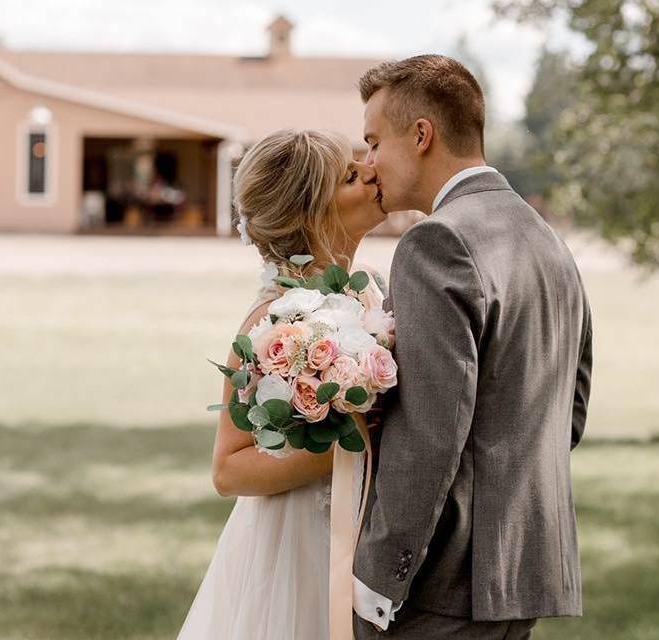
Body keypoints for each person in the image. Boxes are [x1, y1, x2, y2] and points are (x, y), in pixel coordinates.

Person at [351, 55, 593, 639]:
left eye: (373, 140)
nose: (367, 162)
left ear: (422, 134)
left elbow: (430, 435)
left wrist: (378, 582)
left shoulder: (437, 241)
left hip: (440, 593)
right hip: (525, 577)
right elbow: (571, 412)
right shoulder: (547, 239)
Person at [175, 129, 388, 640]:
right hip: (299, 546)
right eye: (350, 177)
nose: (373, 173)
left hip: (363, 533)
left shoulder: (371, 292)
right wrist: (352, 442)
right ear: (313, 215)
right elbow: (228, 469)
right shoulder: (274, 321)